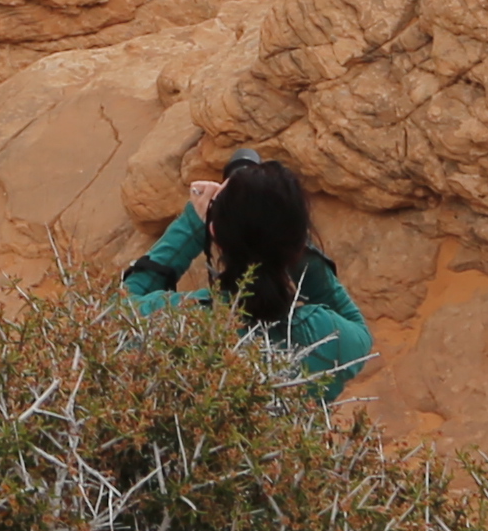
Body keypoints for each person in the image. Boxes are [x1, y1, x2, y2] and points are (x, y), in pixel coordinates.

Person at [126, 148, 372, 398]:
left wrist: (191, 224)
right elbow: (358, 327)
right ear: (298, 243)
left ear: (216, 235)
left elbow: (115, 315)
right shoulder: (324, 336)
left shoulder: (176, 324)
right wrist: (285, 233)